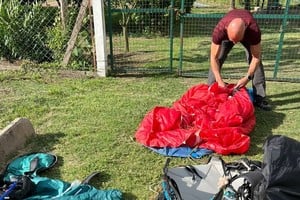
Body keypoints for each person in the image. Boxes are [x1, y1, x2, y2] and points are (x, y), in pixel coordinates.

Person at [207, 9, 271, 111]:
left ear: (245, 29)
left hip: (247, 35)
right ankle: (212, 91)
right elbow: (213, 57)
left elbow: (256, 57)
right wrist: (219, 80)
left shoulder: (253, 30)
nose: (235, 43)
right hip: (229, 34)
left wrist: (247, 78)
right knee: (218, 57)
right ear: (226, 29)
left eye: (237, 40)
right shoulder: (219, 30)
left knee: (256, 62)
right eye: (233, 40)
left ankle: (260, 98)